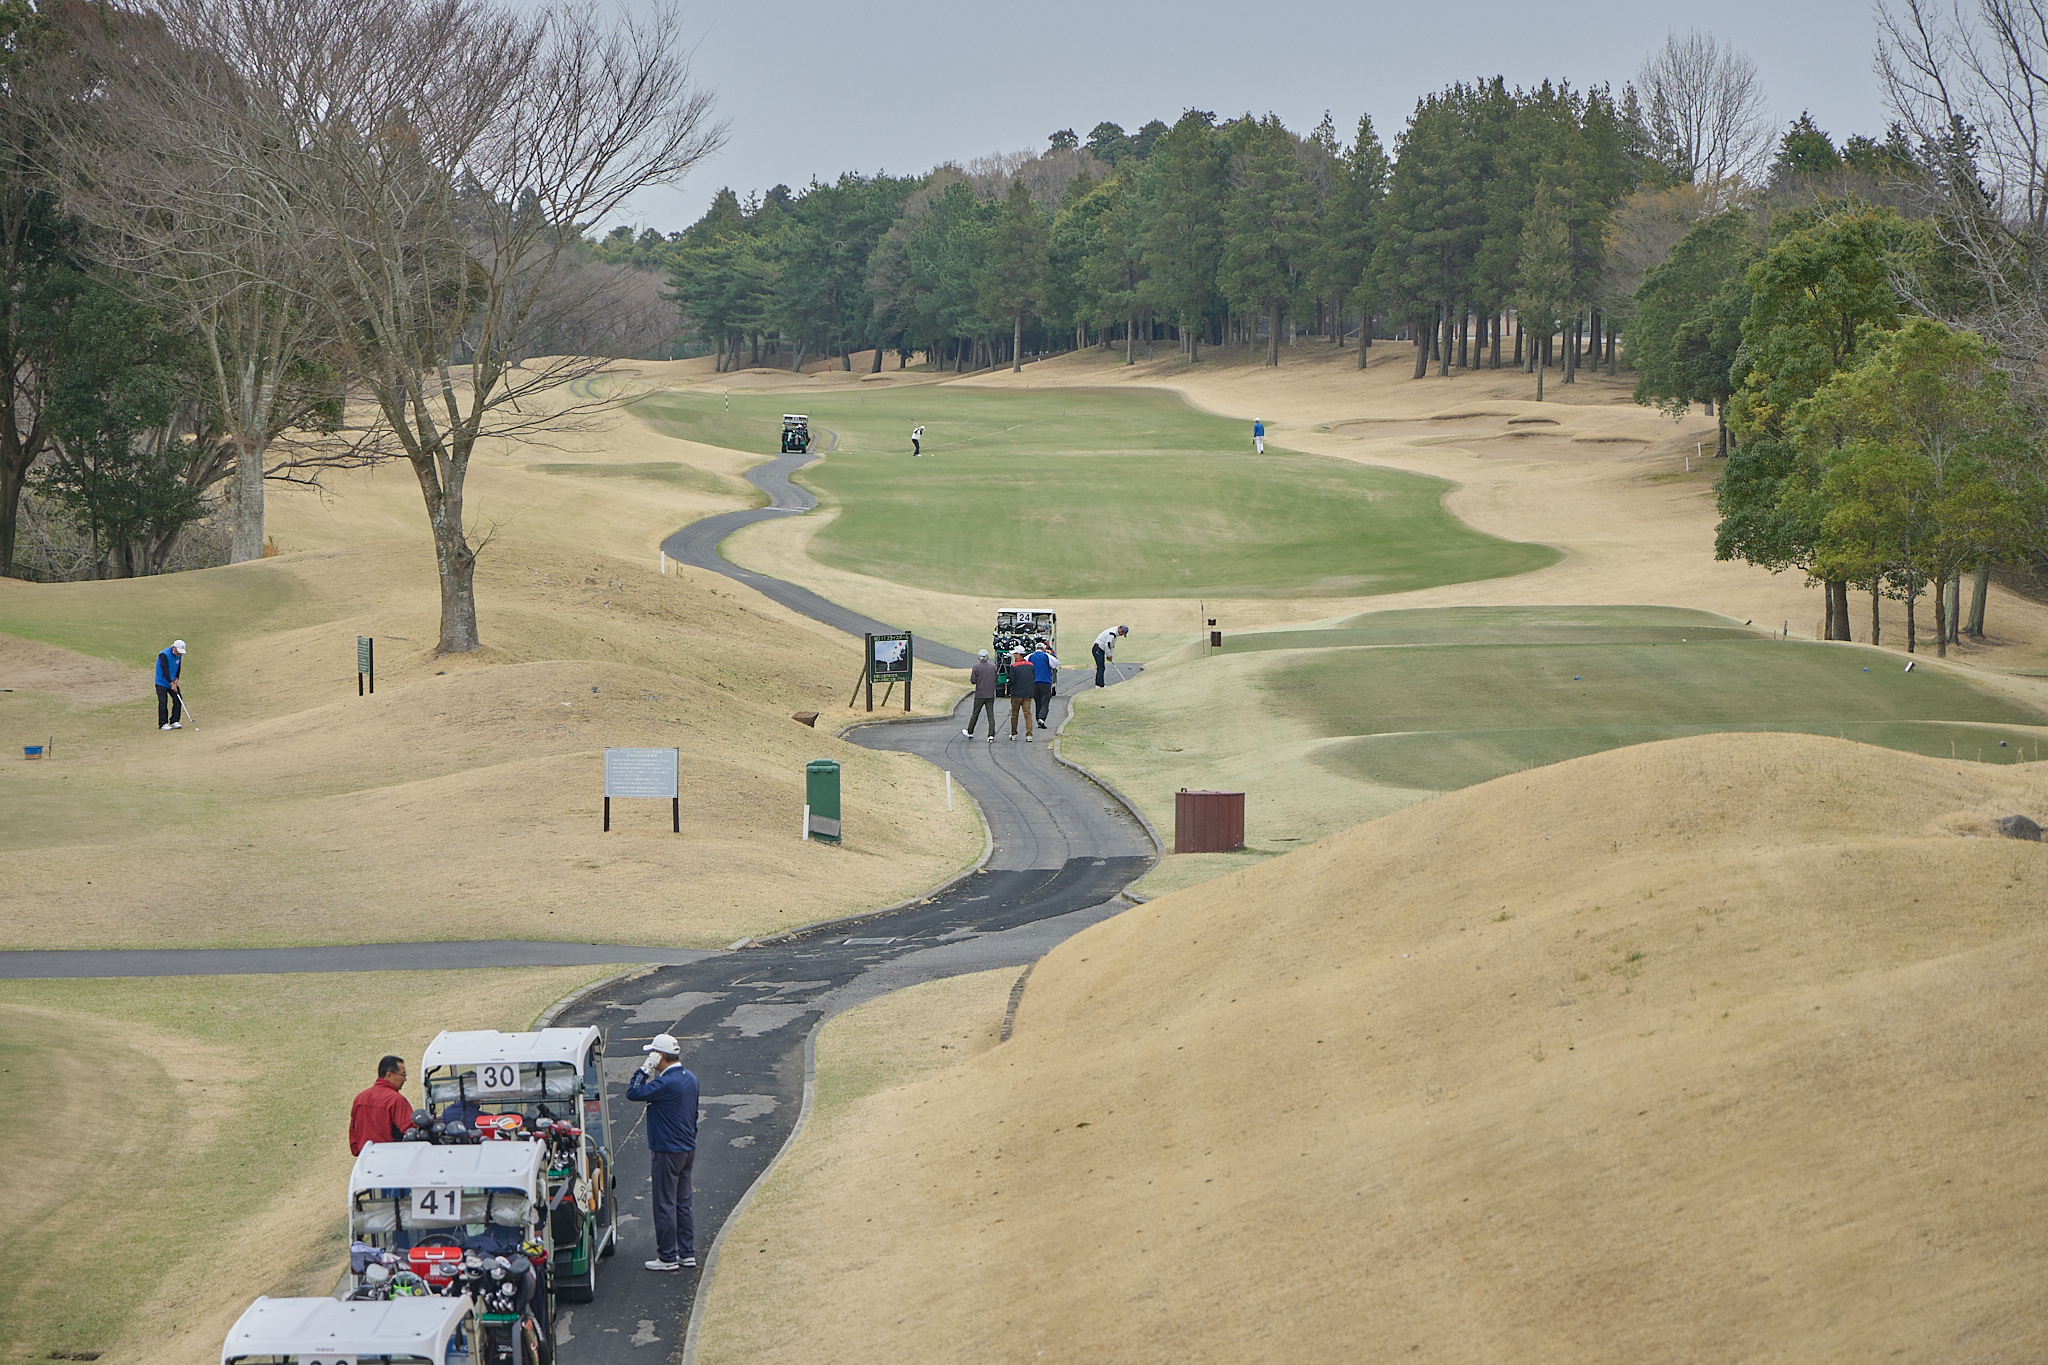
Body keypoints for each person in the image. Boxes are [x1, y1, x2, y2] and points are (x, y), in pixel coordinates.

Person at [627, 1032, 699, 1271]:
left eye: (653, 1055)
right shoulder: (691, 1079)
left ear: (659, 1056)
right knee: (683, 1202)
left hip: (667, 1151)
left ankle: (667, 1256)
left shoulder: (666, 1083)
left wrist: (644, 1070)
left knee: (665, 1203)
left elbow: (634, 1092)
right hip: (687, 1148)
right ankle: (686, 1253)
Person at [349, 1056, 414, 1155]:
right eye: (403, 1074)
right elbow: (411, 1131)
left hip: (365, 1158)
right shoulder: (396, 1100)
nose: (405, 1079)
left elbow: (353, 1137)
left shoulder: (360, 1098)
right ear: (389, 1075)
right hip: (389, 1157)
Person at [963, 649, 999, 740]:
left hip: (980, 694)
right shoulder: (993, 667)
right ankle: (991, 734)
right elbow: (996, 679)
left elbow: (973, 681)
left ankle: (970, 731)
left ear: (979, 657)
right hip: (990, 694)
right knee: (990, 715)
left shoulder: (976, 667)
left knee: (975, 713)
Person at [155, 639, 186, 730]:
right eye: (178, 651)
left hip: (172, 681)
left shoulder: (179, 655)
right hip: (161, 682)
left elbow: (178, 667)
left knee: (178, 699)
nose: (179, 654)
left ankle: (174, 721)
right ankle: (163, 723)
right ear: (174, 648)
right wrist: (171, 683)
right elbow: (165, 670)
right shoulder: (164, 655)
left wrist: (176, 679)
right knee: (163, 702)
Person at [1027, 639, 1060, 726]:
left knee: (1038, 702)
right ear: (1044, 649)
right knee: (1045, 702)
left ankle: (1038, 718)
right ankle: (1041, 718)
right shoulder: (1046, 656)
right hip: (1045, 682)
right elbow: (1056, 664)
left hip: (1034, 682)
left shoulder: (1030, 656)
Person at [1005, 650, 1035, 741]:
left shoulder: (1014, 666)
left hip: (1017, 694)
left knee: (1014, 714)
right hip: (1027, 693)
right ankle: (1029, 735)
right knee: (1027, 714)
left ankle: (1014, 734)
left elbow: (1012, 680)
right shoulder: (1031, 665)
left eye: (1015, 654)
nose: (1014, 655)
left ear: (1018, 655)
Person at [1092, 624, 1128, 689]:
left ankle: (1099, 684)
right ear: (1120, 629)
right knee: (1101, 667)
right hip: (1097, 649)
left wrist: (1111, 655)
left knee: (1101, 667)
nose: (1122, 634)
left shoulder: (1115, 634)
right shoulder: (1112, 634)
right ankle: (1100, 685)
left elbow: (1112, 646)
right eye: (1122, 632)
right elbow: (1107, 645)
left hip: (1100, 649)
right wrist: (1108, 655)